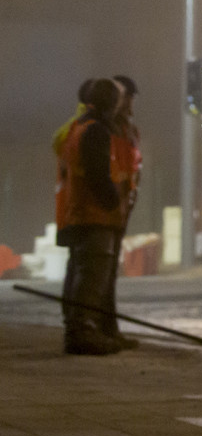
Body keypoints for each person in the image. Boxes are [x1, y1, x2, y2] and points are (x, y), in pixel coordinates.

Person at [54, 79, 130, 355]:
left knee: (82, 273)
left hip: (81, 214)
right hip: (94, 215)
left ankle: (80, 328)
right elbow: (99, 174)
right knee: (92, 276)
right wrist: (112, 200)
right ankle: (83, 332)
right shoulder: (96, 131)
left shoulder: (78, 127)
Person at [102, 75, 143, 348]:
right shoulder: (104, 129)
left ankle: (108, 329)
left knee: (108, 273)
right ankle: (100, 329)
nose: (128, 105)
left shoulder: (126, 129)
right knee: (100, 274)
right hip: (107, 209)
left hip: (120, 206)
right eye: (126, 98)